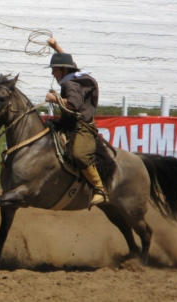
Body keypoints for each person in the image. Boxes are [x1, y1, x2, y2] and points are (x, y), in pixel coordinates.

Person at [44, 37, 107, 208]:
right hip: (70, 124)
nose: (52, 73)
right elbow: (68, 61)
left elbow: (74, 104)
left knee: (80, 155)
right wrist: (55, 46)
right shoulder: (74, 76)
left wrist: (54, 98)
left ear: (64, 70)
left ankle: (99, 188)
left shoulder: (71, 84)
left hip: (82, 127)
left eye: (55, 70)